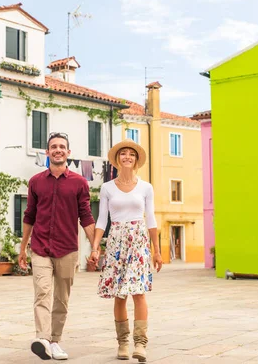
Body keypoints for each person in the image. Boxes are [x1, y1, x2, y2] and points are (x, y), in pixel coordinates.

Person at [19, 132, 97, 361]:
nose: (58, 150)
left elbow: (86, 216)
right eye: (53, 146)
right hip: (40, 247)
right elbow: (29, 215)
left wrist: (95, 248)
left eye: (62, 146)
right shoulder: (35, 182)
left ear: (68, 152)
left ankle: (55, 342)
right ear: (47, 152)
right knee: (42, 292)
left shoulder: (79, 183)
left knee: (62, 299)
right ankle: (42, 338)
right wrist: (23, 247)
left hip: (68, 249)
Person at [89, 139, 163, 362]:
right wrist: (95, 247)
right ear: (117, 160)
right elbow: (102, 219)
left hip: (139, 241)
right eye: (123, 154)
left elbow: (150, 219)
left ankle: (140, 344)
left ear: (136, 160)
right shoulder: (107, 188)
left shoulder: (146, 187)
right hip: (116, 242)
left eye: (131, 154)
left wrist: (156, 251)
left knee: (138, 292)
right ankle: (123, 343)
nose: (127, 157)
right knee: (119, 295)